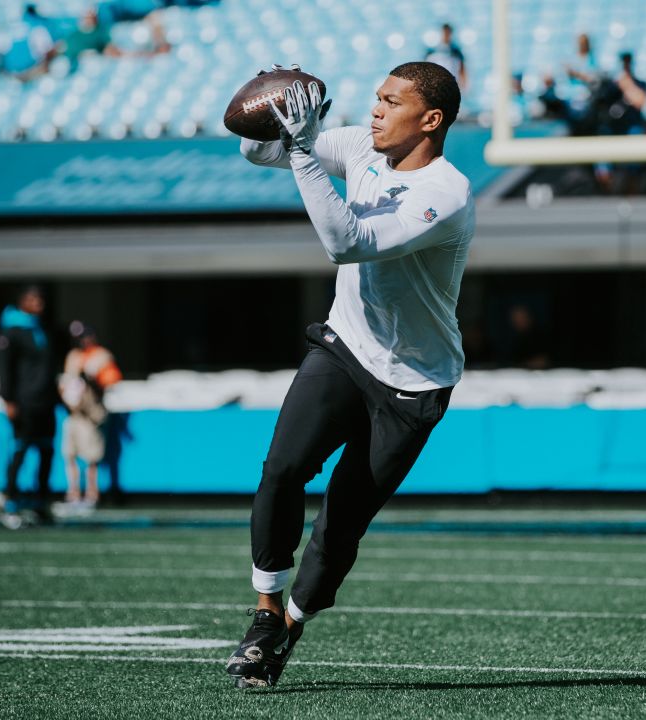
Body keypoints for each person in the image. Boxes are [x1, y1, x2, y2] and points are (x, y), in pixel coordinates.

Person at [225, 61, 474, 688]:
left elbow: (347, 242)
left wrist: (306, 151)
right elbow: (259, 153)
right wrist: (277, 111)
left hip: (414, 382)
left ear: (431, 119)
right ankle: (263, 614)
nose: (375, 111)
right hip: (345, 349)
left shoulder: (446, 192)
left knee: (341, 521)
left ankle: (288, 631)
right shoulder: (361, 144)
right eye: (376, 98)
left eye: (392, 102)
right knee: (282, 469)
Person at [0, 284, 59, 527]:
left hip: (45, 402)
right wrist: (8, 399)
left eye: (41, 299)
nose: (39, 303)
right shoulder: (10, 332)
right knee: (20, 451)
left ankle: (40, 503)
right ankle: (11, 501)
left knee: (47, 452)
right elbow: (4, 368)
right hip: (24, 402)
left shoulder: (43, 330)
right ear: (22, 301)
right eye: (34, 299)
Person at [58, 323, 122, 513]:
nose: (83, 341)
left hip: (91, 415)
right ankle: (73, 493)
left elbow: (111, 381)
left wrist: (92, 380)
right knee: (70, 455)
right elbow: (66, 382)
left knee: (91, 457)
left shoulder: (102, 356)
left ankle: (92, 494)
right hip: (74, 414)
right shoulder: (73, 357)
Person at [424, 23, 468, 90]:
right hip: (435, 84)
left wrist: (464, 84)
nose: (446, 35)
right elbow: (425, 69)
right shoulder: (431, 52)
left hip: (452, 84)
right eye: (444, 33)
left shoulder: (456, 52)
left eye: (448, 33)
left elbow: (462, 69)